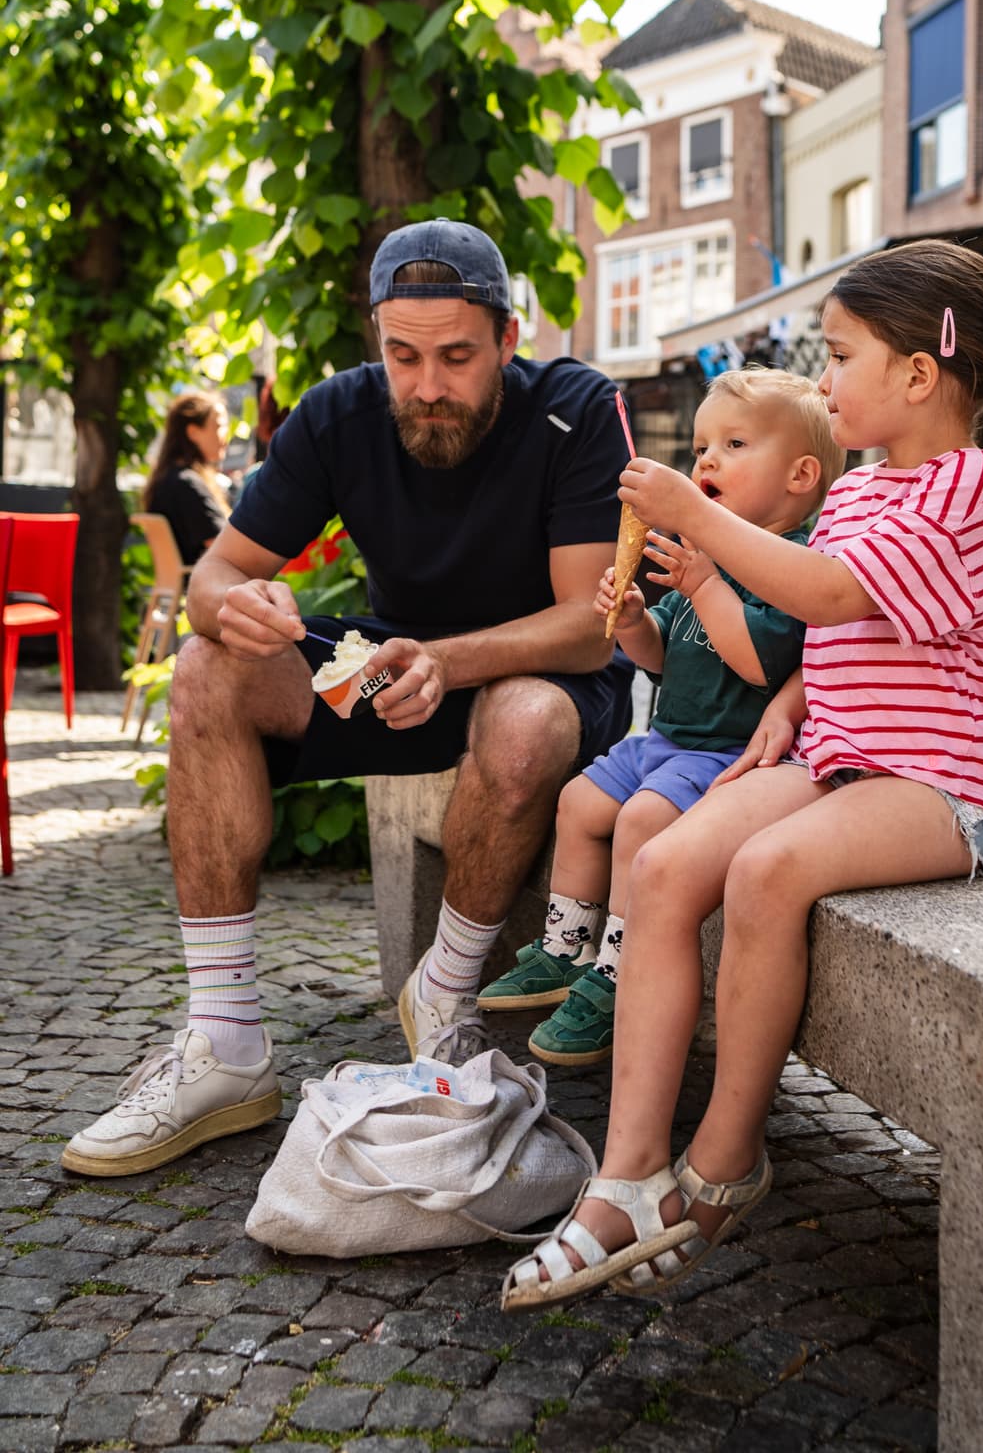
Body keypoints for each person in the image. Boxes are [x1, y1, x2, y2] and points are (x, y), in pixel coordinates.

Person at [500, 238, 983, 1309]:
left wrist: (698, 514)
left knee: (765, 871)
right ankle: (628, 1172)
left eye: (838, 355)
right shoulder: (864, 489)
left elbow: (825, 595)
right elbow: (843, 634)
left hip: (943, 790)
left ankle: (725, 1164)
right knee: (674, 863)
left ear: (919, 375)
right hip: (844, 761)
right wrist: (788, 703)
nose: (823, 381)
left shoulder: (972, 487)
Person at [63, 218, 635, 1179]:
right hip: (396, 673)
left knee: (527, 714)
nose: (427, 386)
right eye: (402, 355)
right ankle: (226, 1044)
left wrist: (450, 662)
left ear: (507, 336)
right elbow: (213, 577)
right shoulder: (339, 412)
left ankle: (444, 1003)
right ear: (377, 338)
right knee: (207, 666)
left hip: (545, 681)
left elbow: (592, 619)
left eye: (457, 355)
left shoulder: (576, 405)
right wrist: (237, 605)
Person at [478, 370, 843, 1067]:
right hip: (667, 740)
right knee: (582, 802)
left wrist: (704, 584)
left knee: (642, 820)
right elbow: (664, 662)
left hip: (726, 758)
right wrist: (634, 624)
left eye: (734, 443)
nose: (706, 459)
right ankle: (564, 947)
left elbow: (759, 666)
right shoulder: (700, 556)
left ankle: (618, 970)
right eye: (704, 444)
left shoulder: (791, 564)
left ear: (801, 475)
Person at [143, 391, 231, 568]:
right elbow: (225, 550)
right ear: (193, 432)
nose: (225, 436)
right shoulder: (186, 484)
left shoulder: (167, 478)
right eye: (219, 426)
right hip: (204, 584)